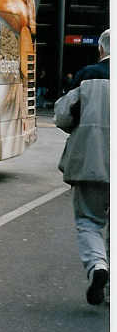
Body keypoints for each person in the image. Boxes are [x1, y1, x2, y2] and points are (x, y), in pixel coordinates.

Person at [55, 28, 109, 305]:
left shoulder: (87, 76)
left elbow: (63, 116)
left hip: (91, 160)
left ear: (101, 50)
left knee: (88, 220)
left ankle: (98, 265)